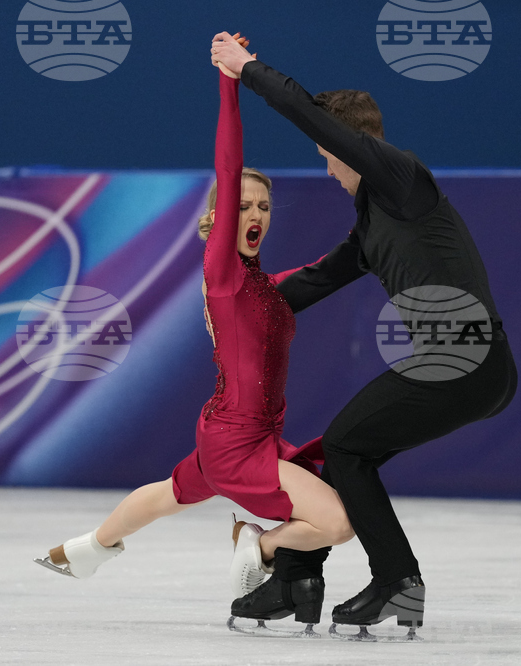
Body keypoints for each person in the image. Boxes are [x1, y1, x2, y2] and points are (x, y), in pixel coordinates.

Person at [35, 40, 354, 627]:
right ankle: (256, 543)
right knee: (336, 522)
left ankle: (88, 550)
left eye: (264, 208)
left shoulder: (265, 286)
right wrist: (230, 82)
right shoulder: (223, 273)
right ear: (217, 217)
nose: (255, 215)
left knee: (168, 494)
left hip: (236, 435)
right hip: (238, 442)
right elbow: (228, 166)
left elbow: (327, 270)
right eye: (243, 206)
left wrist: (381, 233)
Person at [212, 33, 518, 632]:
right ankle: (296, 578)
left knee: (346, 445)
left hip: (466, 360)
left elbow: (305, 113)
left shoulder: (401, 179)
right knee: (344, 451)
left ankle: (398, 580)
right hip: (470, 368)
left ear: (343, 144)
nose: (327, 168)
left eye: (327, 153)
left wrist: (247, 69)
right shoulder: (376, 219)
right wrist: (237, 305)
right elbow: (318, 279)